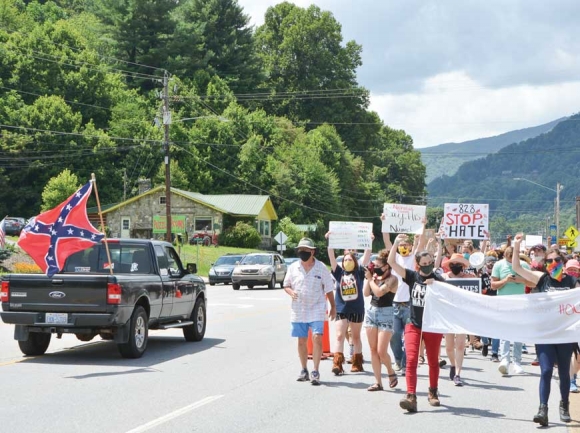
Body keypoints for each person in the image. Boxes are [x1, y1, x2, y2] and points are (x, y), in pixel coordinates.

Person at [511, 234, 580, 426]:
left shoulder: (573, 283)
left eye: (557, 260)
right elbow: (516, 268)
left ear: (563, 262)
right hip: (545, 334)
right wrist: (516, 246)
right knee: (546, 370)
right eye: (549, 261)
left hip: (565, 335)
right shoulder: (541, 279)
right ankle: (543, 409)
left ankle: (564, 406)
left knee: (565, 372)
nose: (553, 263)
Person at [388, 234, 445, 412]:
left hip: (432, 326)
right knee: (411, 359)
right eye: (425, 262)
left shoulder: (438, 280)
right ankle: (411, 396)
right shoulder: (411, 276)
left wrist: (435, 284)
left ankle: (433, 392)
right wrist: (396, 243)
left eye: (430, 261)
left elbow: (449, 297)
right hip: (413, 323)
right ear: (418, 264)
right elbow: (392, 262)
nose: (428, 264)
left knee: (433, 361)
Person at [283, 237, 336, 386]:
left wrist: (333, 306)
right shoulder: (293, 267)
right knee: (302, 340)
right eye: (300, 250)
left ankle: (315, 370)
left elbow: (329, 288)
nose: (303, 253)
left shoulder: (321, 267)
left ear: (312, 251)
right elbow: (286, 285)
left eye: (306, 250)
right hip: (299, 309)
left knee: (317, 337)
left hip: (317, 307)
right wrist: (291, 292)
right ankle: (304, 369)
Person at [382, 221, 427, 375]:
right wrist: (384, 223)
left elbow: (421, 243)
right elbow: (387, 242)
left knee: (409, 335)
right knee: (394, 335)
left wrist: (423, 226)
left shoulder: (414, 258)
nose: (404, 247)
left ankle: (407, 363)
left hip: (410, 304)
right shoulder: (394, 258)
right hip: (394, 303)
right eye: (402, 245)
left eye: (406, 244)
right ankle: (398, 360)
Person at [326, 234, 372, 375]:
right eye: (345, 259)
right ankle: (337, 364)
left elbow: (367, 254)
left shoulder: (359, 272)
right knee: (339, 335)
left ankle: (357, 363)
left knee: (356, 337)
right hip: (342, 309)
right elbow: (331, 256)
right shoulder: (338, 272)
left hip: (357, 309)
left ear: (355, 261)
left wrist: (369, 241)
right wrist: (330, 240)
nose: (347, 261)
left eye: (350, 259)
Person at [490, 244, 532, 375]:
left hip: (520, 303)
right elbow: (493, 285)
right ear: (504, 256)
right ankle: (505, 360)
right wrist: (505, 280)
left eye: (513, 258)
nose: (510, 260)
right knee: (505, 333)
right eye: (508, 258)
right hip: (504, 303)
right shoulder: (498, 265)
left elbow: (532, 282)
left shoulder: (524, 266)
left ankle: (517, 362)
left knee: (518, 333)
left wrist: (519, 280)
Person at [363, 249, 399, 391]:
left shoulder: (392, 279)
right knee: (373, 350)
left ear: (387, 266)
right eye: (374, 265)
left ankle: (390, 371)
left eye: (378, 266)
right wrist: (369, 278)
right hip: (372, 312)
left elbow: (379, 292)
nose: (375, 268)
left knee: (381, 351)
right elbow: (366, 293)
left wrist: (371, 279)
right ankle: (378, 382)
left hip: (386, 313)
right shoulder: (374, 278)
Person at [442, 253, 472, 386]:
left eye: (458, 264)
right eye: (453, 264)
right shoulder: (443, 278)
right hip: (448, 315)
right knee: (449, 347)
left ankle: (458, 374)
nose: (455, 266)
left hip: (462, 315)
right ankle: (453, 365)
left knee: (460, 345)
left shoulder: (470, 278)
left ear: (463, 266)